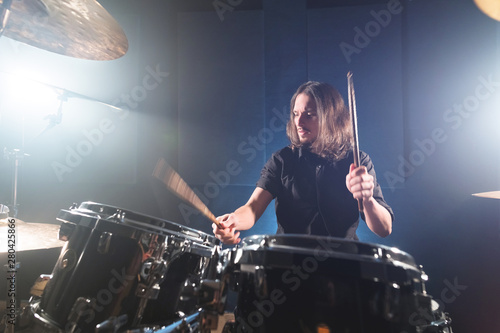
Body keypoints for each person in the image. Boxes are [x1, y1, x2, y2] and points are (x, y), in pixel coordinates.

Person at [213, 81, 393, 245]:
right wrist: (234, 220)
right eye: (296, 114)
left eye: (309, 115)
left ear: (331, 118)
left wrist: (368, 199)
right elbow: (252, 209)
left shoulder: (357, 161)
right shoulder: (282, 160)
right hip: (287, 266)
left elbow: (384, 229)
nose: (298, 122)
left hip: (343, 267)